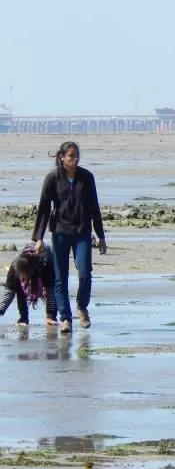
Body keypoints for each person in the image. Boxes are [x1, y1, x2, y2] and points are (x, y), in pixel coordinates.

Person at [32, 141, 107, 334]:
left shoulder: (86, 177)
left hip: (82, 231)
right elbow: (43, 209)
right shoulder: (52, 178)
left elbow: (95, 207)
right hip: (60, 232)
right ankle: (65, 318)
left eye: (76, 155)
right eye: (71, 156)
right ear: (62, 158)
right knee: (60, 277)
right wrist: (39, 238)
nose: (75, 159)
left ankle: (82, 307)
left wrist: (100, 235)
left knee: (84, 273)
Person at [0, 247, 56, 327]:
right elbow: (9, 293)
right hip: (26, 260)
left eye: (24, 275)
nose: (22, 277)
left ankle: (52, 316)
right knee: (19, 289)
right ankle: (23, 318)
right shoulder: (15, 268)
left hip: (47, 255)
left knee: (51, 289)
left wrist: (51, 316)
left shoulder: (46, 266)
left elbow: (51, 292)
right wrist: (0, 311)